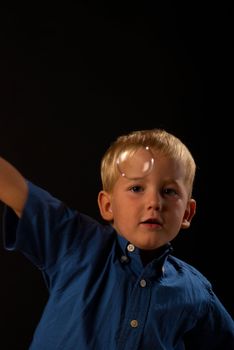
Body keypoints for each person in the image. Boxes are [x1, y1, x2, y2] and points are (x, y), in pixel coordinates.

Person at [1, 128, 234, 350]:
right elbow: (16, 190)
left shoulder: (197, 293)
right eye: (136, 188)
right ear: (107, 205)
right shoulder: (76, 243)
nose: (154, 202)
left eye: (169, 191)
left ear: (187, 213)